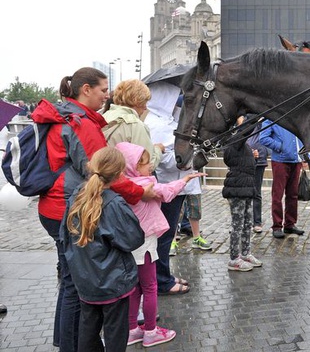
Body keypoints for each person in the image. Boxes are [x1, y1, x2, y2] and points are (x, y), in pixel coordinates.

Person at [31, 67, 150, 351]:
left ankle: (68, 341)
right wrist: (140, 191)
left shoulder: (65, 116)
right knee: (76, 284)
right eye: (103, 90)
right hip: (68, 206)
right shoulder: (79, 123)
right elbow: (105, 172)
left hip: (55, 206)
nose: (107, 95)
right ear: (86, 90)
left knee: (72, 279)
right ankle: (72, 345)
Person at [114, 142, 204, 347]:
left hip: (129, 245)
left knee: (134, 288)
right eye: (146, 164)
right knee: (150, 287)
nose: (150, 167)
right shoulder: (145, 185)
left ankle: (131, 330)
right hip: (144, 244)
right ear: (134, 167)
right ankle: (151, 331)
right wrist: (186, 180)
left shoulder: (123, 185)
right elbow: (166, 190)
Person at [61, 147, 145, 352]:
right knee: (115, 334)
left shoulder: (76, 197)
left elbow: (64, 236)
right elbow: (133, 239)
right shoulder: (113, 203)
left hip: (85, 280)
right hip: (113, 281)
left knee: (88, 332)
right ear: (118, 174)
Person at [143, 81, 197, 294]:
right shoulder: (156, 124)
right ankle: (161, 280)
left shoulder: (168, 119)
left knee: (167, 234)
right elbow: (158, 157)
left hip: (177, 185)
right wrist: (184, 160)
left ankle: (163, 275)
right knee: (164, 236)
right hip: (168, 185)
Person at [223, 115, 262, 271]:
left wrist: (253, 158)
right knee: (237, 225)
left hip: (245, 188)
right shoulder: (235, 140)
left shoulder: (242, 144)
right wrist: (256, 117)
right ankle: (234, 259)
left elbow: (243, 163)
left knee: (247, 223)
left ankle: (245, 253)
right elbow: (246, 131)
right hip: (237, 189)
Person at [102, 79, 164, 171]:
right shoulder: (135, 125)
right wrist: (158, 150)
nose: (145, 107)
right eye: (145, 101)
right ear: (136, 100)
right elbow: (147, 166)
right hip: (127, 181)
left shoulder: (103, 117)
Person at [258, 120, 304, 239]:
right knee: (277, 195)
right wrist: (280, 147)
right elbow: (263, 138)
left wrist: (302, 154)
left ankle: (290, 224)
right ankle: (277, 226)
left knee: (293, 194)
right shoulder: (271, 119)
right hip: (280, 161)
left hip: (296, 160)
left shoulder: (294, 116)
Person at [246, 115, 268, 233]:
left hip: (259, 161)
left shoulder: (263, 124)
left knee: (256, 192)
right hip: (244, 161)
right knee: (243, 193)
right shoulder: (244, 125)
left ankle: (257, 222)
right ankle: (244, 221)